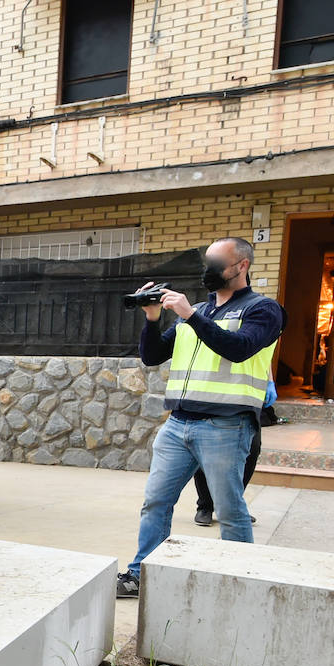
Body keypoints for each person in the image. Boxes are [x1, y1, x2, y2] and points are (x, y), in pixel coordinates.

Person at [116, 237, 284, 598]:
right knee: (156, 502)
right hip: (178, 424)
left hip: (226, 425)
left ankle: (236, 583)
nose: (209, 271)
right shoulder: (203, 312)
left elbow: (238, 350)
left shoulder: (263, 310)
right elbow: (153, 356)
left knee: (229, 509)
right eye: (206, 262)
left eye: (217, 263)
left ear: (242, 266)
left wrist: (189, 314)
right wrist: (152, 318)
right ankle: (141, 574)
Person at [190, 378, 276, 526]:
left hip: (248, 395)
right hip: (214, 391)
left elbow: (266, 356)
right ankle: (205, 506)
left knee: (252, 448)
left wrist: (270, 380)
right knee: (205, 446)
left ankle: (233, 505)